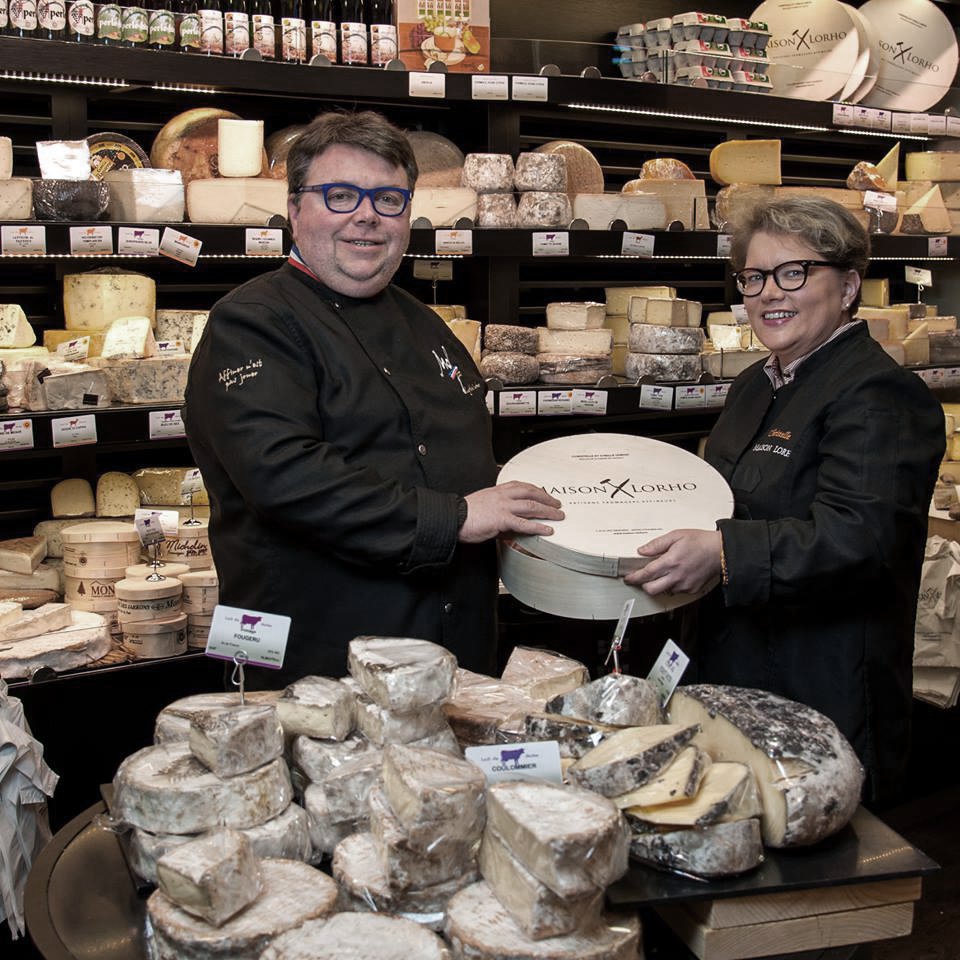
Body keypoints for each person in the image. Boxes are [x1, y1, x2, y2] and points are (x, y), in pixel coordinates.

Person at [182, 110, 562, 686]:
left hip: (450, 657)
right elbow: (286, 475)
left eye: (389, 199)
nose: (366, 216)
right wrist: (457, 517)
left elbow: (438, 453)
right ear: (294, 209)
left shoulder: (424, 323)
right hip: (322, 669)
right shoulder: (251, 323)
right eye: (339, 195)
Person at [625, 196, 945, 806]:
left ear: (849, 285)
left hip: (822, 689)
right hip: (736, 668)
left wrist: (723, 553)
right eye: (753, 277)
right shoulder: (755, 383)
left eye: (793, 273)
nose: (769, 293)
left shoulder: (879, 396)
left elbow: (860, 540)